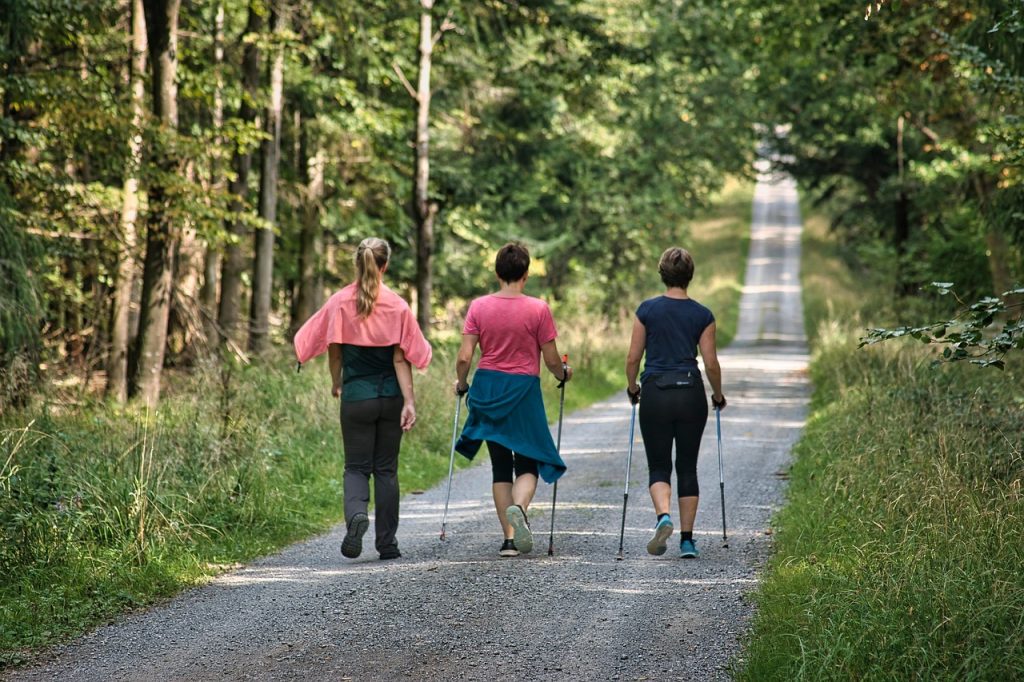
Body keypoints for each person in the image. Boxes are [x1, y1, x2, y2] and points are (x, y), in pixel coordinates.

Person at [293, 237, 432, 561]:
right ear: (385, 265)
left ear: (358, 263)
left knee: (356, 468)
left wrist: (336, 383)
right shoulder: (397, 306)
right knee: (386, 470)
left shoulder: (340, 303)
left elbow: (333, 351)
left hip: (356, 397)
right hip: (390, 397)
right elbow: (403, 359)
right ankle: (388, 545)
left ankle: (356, 515)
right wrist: (409, 402)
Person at [453, 242, 572, 557]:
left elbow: (465, 357)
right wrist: (563, 374)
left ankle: (508, 540)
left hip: (488, 388)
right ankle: (518, 508)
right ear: (526, 274)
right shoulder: (538, 309)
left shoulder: (479, 307)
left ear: (497, 272)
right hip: (523, 390)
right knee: (528, 461)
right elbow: (550, 359)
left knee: (500, 466)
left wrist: (462, 383)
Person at [625, 246, 725, 559]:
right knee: (687, 466)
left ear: (662, 274)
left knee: (658, 465)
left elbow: (632, 358)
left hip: (655, 392)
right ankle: (687, 540)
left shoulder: (647, 310)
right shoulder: (703, 314)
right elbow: (710, 363)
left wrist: (632, 387)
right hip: (690, 393)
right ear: (690, 276)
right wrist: (718, 395)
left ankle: (663, 517)